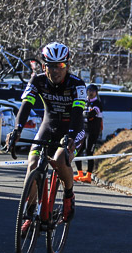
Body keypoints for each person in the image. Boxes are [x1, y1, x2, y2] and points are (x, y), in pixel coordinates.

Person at [6, 42, 86, 223]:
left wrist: (71, 136)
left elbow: (77, 112)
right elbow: (26, 105)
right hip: (49, 126)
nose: (56, 70)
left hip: (73, 129)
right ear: (44, 66)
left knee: (59, 160)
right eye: (51, 65)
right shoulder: (38, 80)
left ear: (67, 65)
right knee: (33, 163)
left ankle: (68, 194)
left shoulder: (77, 85)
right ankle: (31, 212)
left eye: (61, 66)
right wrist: (17, 129)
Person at [74, 83, 103, 183]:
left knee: (89, 151)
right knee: (77, 150)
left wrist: (84, 114)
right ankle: (79, 173)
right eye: (89, 90)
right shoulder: (84, 102)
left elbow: (91, 114)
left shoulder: (98, 103)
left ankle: (89, 175)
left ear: (96, 93)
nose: (90, 93)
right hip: (83, 130)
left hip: (93, 131)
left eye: (93, 91)